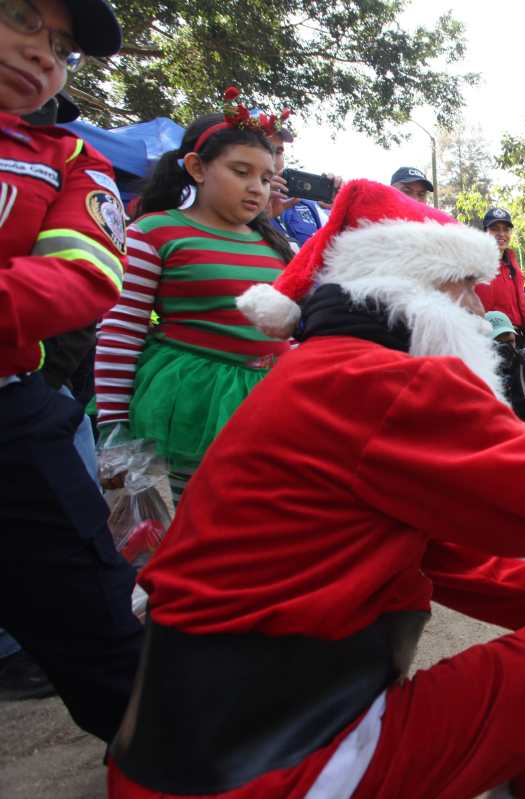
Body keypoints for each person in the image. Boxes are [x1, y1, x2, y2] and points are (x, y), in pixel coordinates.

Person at [107, 179, 525, 799]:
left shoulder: (314, 370)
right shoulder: (385, 380)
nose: (476, 309)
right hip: (282, 764)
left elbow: (415, 540)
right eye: (463, 286)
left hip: (177, 757)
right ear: (415, 285)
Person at [0, 0, 144, 741]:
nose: (43, 54)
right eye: (23, 18)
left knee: (106, 624)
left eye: (60, 47)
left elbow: (85, 274)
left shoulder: (67, 157)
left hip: (13, 414)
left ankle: (174, 765)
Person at [94, 107, 294, 503]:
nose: (257, 188)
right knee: (187, 521)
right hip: (188, 408)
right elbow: (121, 331)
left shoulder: (276, 245)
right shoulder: (154, 233)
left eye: (266, 178)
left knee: (249, 523)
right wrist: (113, 426)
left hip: (270, 406)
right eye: (241, 172)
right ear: (197, 168)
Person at [474, 206, 525, 350]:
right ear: (485, 233)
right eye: (495, 229)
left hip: (515, 340)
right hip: (485, 341)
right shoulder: (473, 265)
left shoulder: (513, 267)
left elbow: (523, 310)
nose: (501, 234)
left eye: (506, 229)